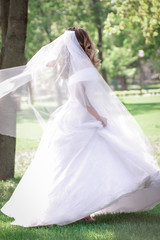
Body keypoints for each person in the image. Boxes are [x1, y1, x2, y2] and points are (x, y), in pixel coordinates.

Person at [0, 27, 160, 227]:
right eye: (88, 41)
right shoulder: (81, 68)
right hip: (81, 119)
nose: (92, 45)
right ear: (83, 42)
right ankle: (77, 208)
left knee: (89, 163)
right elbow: (80, 98)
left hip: (77, 118)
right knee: (80, 165)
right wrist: (98, 116)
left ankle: (88, 205)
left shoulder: (74, 67)